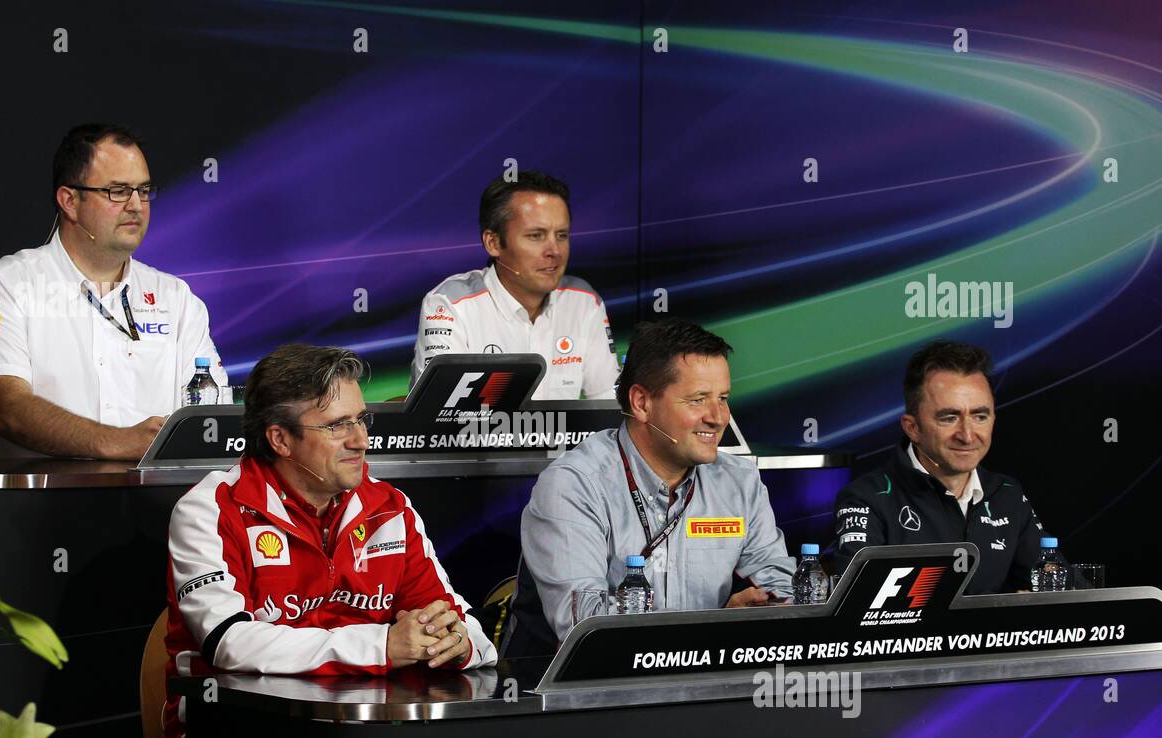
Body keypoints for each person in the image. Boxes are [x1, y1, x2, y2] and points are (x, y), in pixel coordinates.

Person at [163, 344, 497, 738]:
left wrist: (456, 642)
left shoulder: (389, 507)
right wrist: (381, 647)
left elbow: (464, 626)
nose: (360, 439)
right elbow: (230, 643)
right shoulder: (210, 509)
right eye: (338, 425)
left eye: (361, 419)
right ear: (280, 439)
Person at [506, 320, 795, 656]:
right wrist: (717, 630)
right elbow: (586, 630)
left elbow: (782, 587)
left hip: (703, 687)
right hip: (576, 693)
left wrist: (769, 605)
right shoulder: (573, 485)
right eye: (699, 400)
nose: (719, 417)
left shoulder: (739, 481)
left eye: (723, 398)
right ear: (642, 403)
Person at [0, 123, 226, 459]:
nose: (136, 206)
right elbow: (6, 409)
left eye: (143, 190)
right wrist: (119, 441)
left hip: (152, 503)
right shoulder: (3, 285)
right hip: (28, 502)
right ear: (69, 200)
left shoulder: (177, 298)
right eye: (117, 191)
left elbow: (209, 415)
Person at [831, 340, 1047, 593]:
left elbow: (1060, 588)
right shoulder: (867, 499)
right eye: (949, 418)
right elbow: (858, 610)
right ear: (912, 427)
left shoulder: (1007, 493)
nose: (967, 435)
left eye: (980, 416)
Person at [409, 170, 618, 400]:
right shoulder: (449, 305)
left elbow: (607, 404)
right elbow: (438, 416)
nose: (554, 251)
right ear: (493, 242)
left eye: (561, 235)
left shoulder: (584, 301)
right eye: (536, 236)